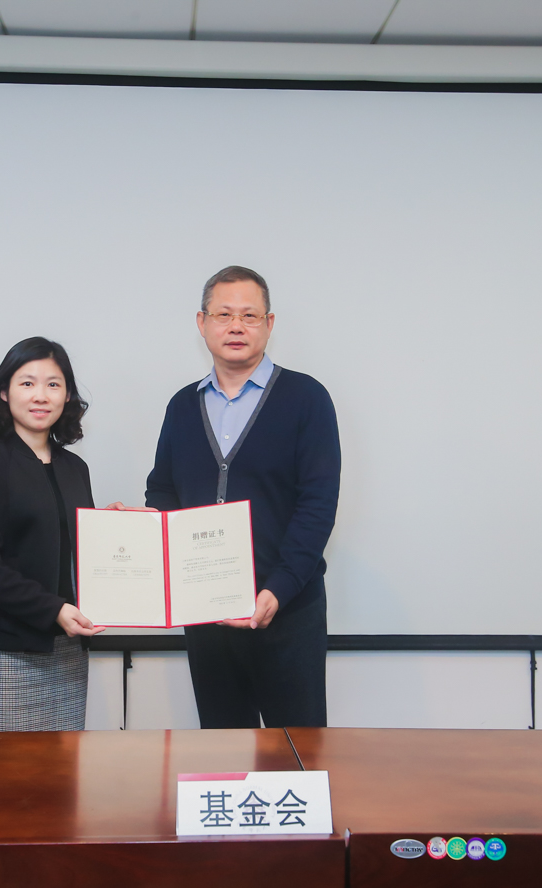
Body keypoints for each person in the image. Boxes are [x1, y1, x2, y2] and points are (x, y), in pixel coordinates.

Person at [145, 266, 341, 728]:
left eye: (249, 315)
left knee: (297, 751)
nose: (236, 326)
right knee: (223, 749)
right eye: (224, 314)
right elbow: (163, 488)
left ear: (269, 324)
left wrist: (278, 589)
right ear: (202, 323)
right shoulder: (182, 405)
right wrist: (146, 529)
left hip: (287, 607)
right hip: (206, 610)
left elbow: (317, 504)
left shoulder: (307, 398)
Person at [0, 336, 105, 731]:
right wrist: (52, 609)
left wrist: (114, 528)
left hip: (68, 647)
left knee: (65, 765)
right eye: (27, 383)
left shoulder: (75, 469)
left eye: (53, 384)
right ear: (4, 392)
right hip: (6, 651)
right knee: (3, 768)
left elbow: (70, 544)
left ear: (67, 395)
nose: (41, 395)